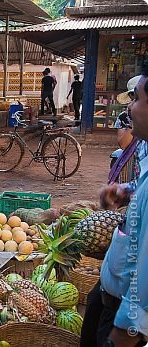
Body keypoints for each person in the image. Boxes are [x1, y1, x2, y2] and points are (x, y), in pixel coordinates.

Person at [80, 60, 148, 347]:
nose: (130, 108)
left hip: (123, 313)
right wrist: (127, 189)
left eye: (138, 99)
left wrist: (121, 336)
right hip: (108, 293)